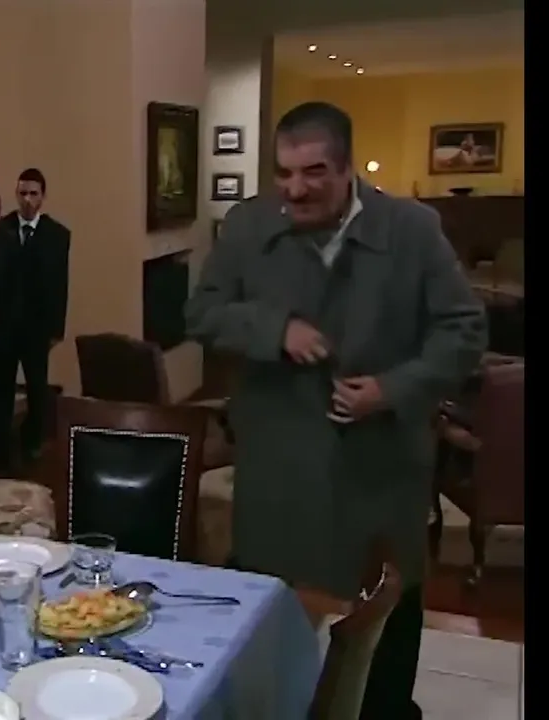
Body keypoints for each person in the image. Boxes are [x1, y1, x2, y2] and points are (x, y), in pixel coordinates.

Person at [184, 101, 486, 720]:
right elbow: (202, 314)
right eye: (283, 173)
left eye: (313, 172)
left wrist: (392, 389)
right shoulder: (246, 226)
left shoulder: (412, 230)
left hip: (381, 468)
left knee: (387, 616)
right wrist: (274, 329)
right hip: (279, 470)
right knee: (270, 621)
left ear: (348, 168)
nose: (295, 189)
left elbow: (463, 330)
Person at [0, 168, 71, 469]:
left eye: (33, 194)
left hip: (37, 327)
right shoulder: (0, 229)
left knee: (37, 387)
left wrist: (57, 328)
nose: (28, 200)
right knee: (0, 390)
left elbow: (60, 284)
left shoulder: (57, 235)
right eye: (23, 193)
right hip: (4, 324)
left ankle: (33, 443)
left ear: (43, 197)